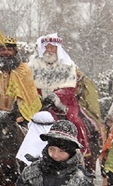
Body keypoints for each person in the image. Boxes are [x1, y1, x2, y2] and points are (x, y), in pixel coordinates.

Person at [29, 33, 101, 172]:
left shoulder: (68, 66)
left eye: (52, 47)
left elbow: (69, 88)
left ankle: (80, 151)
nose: (49, 50)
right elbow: (30, 86)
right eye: (46, 47)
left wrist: (55, 98)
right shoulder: (33, 66)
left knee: (76, 121)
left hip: (64, 104)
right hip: (38, 104)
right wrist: (38, 97)